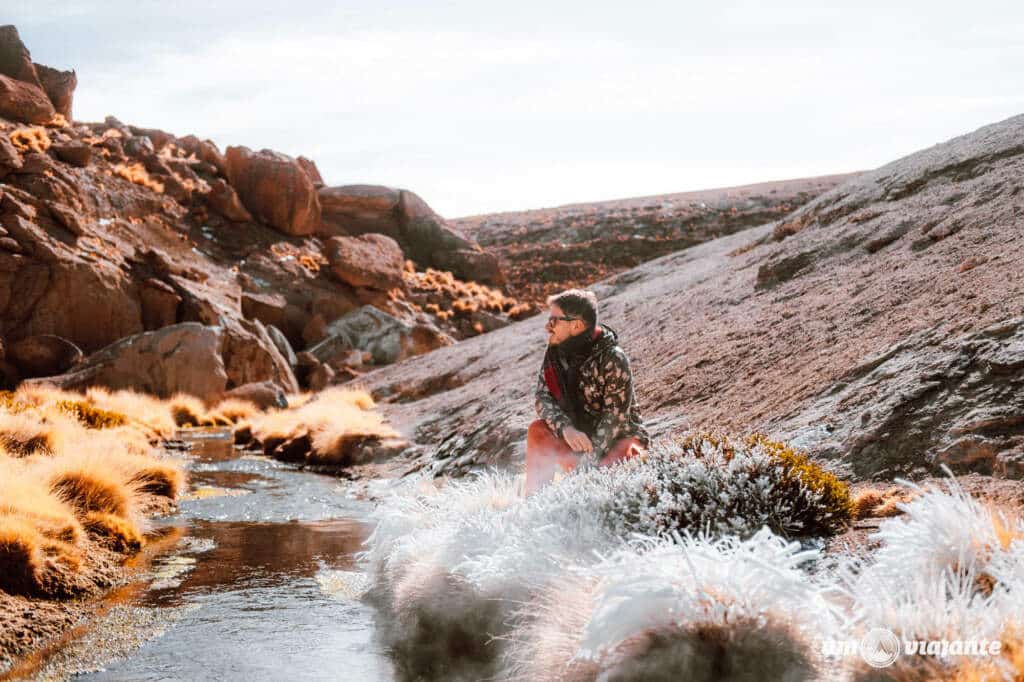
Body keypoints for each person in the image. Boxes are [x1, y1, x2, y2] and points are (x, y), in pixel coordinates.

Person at [526, 288, 650, 494]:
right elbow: (542, 397)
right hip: (578, 438)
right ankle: (533, 504)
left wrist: (587, 464)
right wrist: (565, 428)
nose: (548, 327)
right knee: (538, 431)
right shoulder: (556, 351)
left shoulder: (613, 358)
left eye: (554, 320)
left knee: (603, 474)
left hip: (617, 441)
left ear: (576, 325)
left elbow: (615, 419)